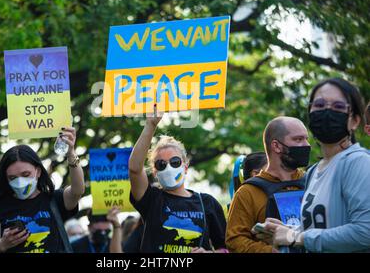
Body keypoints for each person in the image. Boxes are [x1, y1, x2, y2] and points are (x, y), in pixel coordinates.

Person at [264, 78, 370, 252]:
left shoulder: (358, 162)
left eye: (338, 107)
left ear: (355, 121)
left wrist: (295, 237)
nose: (327, 111)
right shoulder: (314, 171)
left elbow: (365, 232)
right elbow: (321, 231)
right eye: (319, 105)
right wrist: (286, 231)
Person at [128, 108, 227, 253]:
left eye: (174, 162)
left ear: (185, 167)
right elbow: (135, 169)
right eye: (161, 164)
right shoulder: (152, 199)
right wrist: (150, 125)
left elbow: (226, 248)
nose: (168, 167)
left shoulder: (207, 203)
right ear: (155, 172)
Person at [0, 127, 85, 253]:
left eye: (26, 174)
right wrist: (1, 246)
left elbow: (78, 190)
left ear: (38, 172)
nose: (20, 182)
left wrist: (71, 153)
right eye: (12, 177)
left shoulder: (55, 200)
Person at [226, 116, 310, 253]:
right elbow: (235, 240)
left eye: (306, 139)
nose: (306, 145)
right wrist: (270, 251)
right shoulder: (247, 192)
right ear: (276, 146)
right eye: (298, 139)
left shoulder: (314, 182)